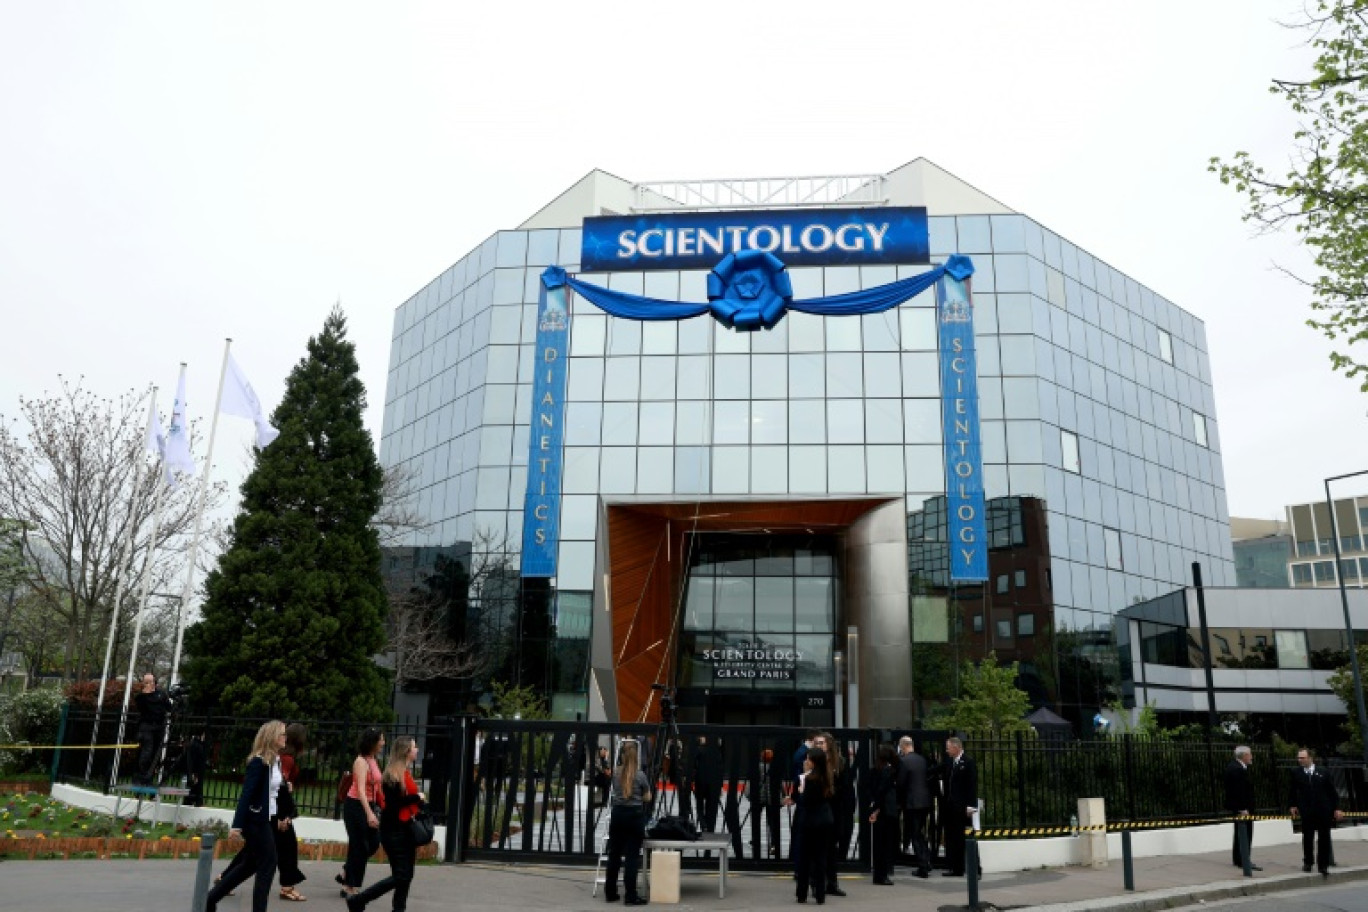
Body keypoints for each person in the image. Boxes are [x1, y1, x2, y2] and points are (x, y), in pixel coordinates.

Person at [205, 720, 287, 912]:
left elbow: (274, 793)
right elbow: (247, 794)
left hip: (267, 819)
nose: (285, 737)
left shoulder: (276, 760)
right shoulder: (259, 762)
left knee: (250, 864)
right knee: (268, 863)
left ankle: (210, 899)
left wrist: (282, 815)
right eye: (282, 734)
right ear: (272, 737)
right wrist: (237, 825)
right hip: (255, 821)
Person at [347, 735, 425, 911]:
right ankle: (359, 900)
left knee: (406, 875)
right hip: (394, 831)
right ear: (406, 751)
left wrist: (417, 802)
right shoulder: (392, 775)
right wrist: (417, 797)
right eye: (414, 747)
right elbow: (394, 805)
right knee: (401, 875)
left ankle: (398, 909)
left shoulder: (405, 772)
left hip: (405, 829)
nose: (417, 749)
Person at [603, 739, 652, 906]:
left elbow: (616, 791)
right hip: (634, 816)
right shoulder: (640, 775)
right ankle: (630, 895)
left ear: (622, 757)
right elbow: (647, 796)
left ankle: (610, 892)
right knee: (632, 856)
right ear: (636, 757)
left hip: (618, 814)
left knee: (614, 854)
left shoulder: (616, 773)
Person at [340, 727, 386, 899]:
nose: (383, 743)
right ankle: (349, 886)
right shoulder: (360, 761)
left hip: (370, 804)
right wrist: (369, 814)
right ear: (372, 742)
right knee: (359, 846)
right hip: (356, 806)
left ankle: (347, 870)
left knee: (373, 842)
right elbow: (360, 790)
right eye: (381, 739)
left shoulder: (373, 760)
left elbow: (377, 785)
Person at [1289, 747, 1343, 877]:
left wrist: (1337, 808)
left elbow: (1332, 791)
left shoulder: (1323, 772)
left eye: (1302, 758)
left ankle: (1323, 865)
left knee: (1324, 837)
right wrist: (1293, 805)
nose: (1300, 760)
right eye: (1298, 758)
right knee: (1307, 837)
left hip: (1324, 810)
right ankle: (1308, 862)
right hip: (1307, 810)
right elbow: (1292, 790)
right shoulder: (1296, 773)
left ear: (1310, 758)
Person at [795, 746, 835, 905]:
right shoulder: (826, 776)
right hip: (824, 820)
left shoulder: (810, 779)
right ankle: (820, 894)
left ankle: (802, 893)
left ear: (813, 761)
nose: (806, 761)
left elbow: (805, 801)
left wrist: (801, 789)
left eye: (808, 758)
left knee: (805, 858)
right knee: (820, 858)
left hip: (810, 822)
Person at [813, 733, 850, 897]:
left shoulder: (839, 762)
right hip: (819, 810)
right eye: (817, 743)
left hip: (834, 811)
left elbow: (845, 787)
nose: (819, 745)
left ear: (829, 744)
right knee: (818, 850)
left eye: (822, 743)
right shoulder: (813, 762)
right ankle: (816, 884)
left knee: (832, 850)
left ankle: (832, 883)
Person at [938, 736, 977, 878]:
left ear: (956, 747)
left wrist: (971, 806)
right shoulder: (950, 762)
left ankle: (975, 869)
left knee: (967, 838)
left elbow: (971, 785)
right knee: (953, 838)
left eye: (948, 747)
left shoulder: (968, 762)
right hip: (951, 807)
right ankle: (956, 868)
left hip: (963, 808)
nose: (947, 750)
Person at [896, 735, 932, 878]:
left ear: (903, 746)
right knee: (920, 833)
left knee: (915, 834)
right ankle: (927, 860)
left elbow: (901, 783)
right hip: (925, 802)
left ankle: (922, 867)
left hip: (912, 803)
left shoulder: (904, 761)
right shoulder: (921, 760)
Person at [1223, 745, 1259, 871]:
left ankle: (1239, 859)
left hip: (1240, 807)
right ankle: (1244, 860)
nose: (1251, 757)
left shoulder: (1235, 767)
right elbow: (1238, 791)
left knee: (1239, 834)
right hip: (1242, 809)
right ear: (1244, 756)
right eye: (1250, 755)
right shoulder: (1237, 769)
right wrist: (1242, 808)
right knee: (1245, 834)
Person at [867, 744, 899, 885]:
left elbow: (872, 790)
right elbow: (883, 790)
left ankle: (878, 875)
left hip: (878, 808)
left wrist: (873, 808)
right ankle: (882, 875)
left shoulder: (874, 770)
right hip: (885, 810)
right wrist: (878, 808)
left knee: (878, 844)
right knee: (885, 844)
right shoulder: (888, 771)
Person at [133, 673, 171, 786]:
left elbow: (168, 707)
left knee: (155, 755)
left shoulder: (161, 695)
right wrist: (145, 695)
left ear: (154, 682)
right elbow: (141, 708)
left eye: (150, 682)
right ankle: (140, 778)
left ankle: (149, 779)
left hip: (159, 727)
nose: (148, 684)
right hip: (146, 728)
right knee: (146, 754)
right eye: (146, 682)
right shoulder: (141, 697)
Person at [750, 747, 784, 859]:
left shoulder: (758, 767)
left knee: (756, 819)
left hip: (759, 795)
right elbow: (780, 783)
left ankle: (755, 839)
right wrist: (783, 795)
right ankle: (774, 843)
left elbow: (753, 782)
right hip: (772, 797)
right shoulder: (775, 768)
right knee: (772, 822)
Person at [691, 735, 724, 834]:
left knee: (700, 805)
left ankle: (703, 824)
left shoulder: (699, 750)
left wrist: (692, 779)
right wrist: (720, 785)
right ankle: (709, 826)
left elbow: (693, 764)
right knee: (710, 805)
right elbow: (720, 769)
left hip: (700, 780)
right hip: (712, 782)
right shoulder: (716, 752)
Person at [186, 730, 208, 807]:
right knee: (196, 784)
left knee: (195, 785)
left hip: (196, 770)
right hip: (196, 770)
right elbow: (193, 760)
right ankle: (197, 800)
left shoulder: (197, 744)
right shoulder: (196, 745)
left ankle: (193, 800)